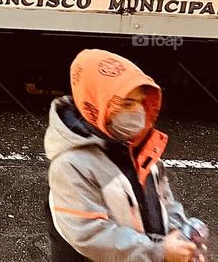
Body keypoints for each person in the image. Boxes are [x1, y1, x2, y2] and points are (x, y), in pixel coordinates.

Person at [46, 49, 206, 262]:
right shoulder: (71, 165)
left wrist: (179, 235)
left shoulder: (140, 146)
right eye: (126, 104)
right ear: (96, 102)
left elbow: (164, 201)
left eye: (140, 102)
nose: (137, 113)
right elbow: (91, 236)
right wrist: (160, 252)